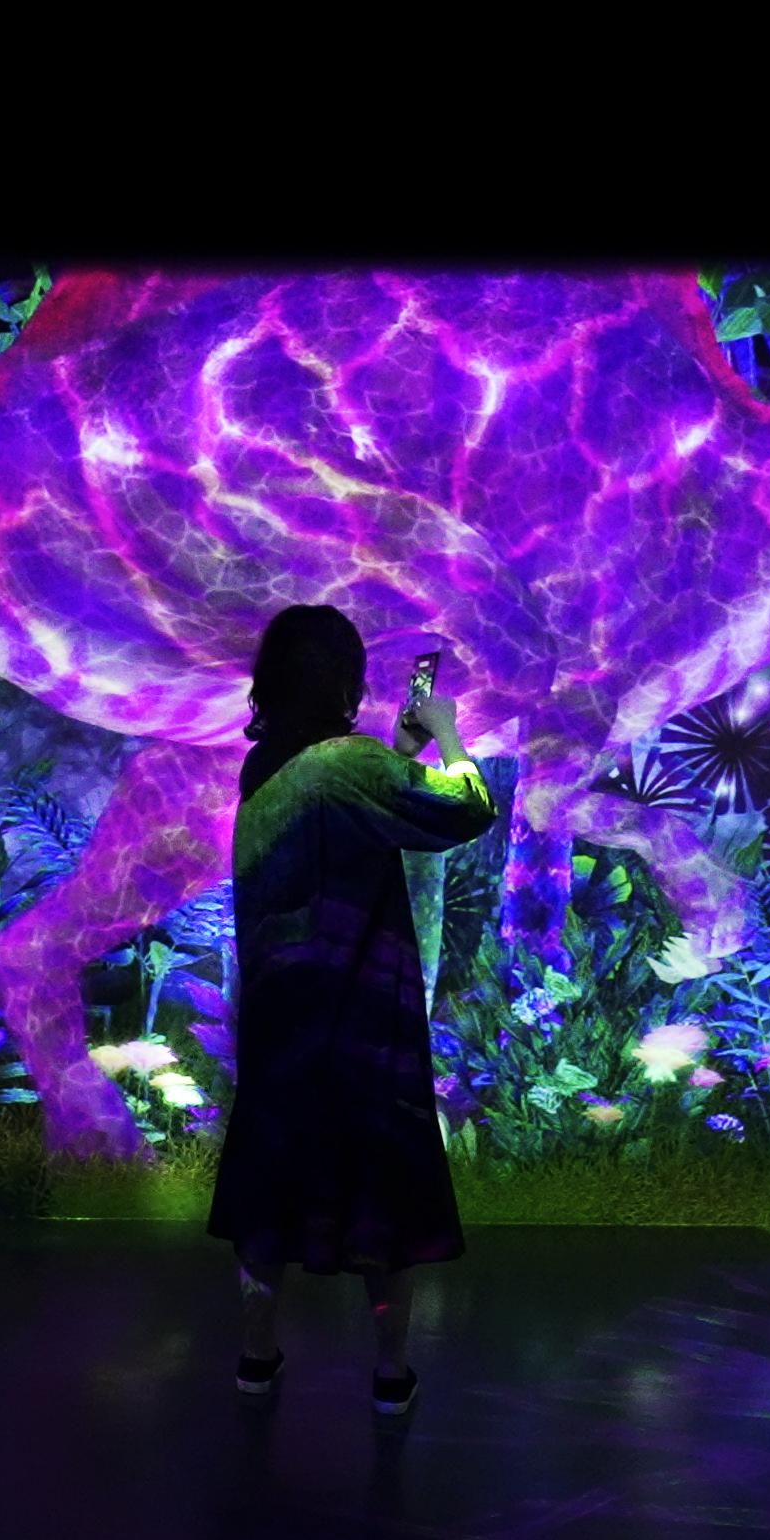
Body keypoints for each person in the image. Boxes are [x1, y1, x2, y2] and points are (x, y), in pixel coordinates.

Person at [205, 605, 498, 1415]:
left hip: (282, 1019)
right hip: (363, 1018)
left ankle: (256, 1358)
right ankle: (391, 1373)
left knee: (270, 1182)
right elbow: (468, 806)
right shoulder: (349, 763)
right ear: (344, 680)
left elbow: (349, 816)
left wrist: (397, 754)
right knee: (384, 1185)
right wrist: (444, 732)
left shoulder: (263, 770)